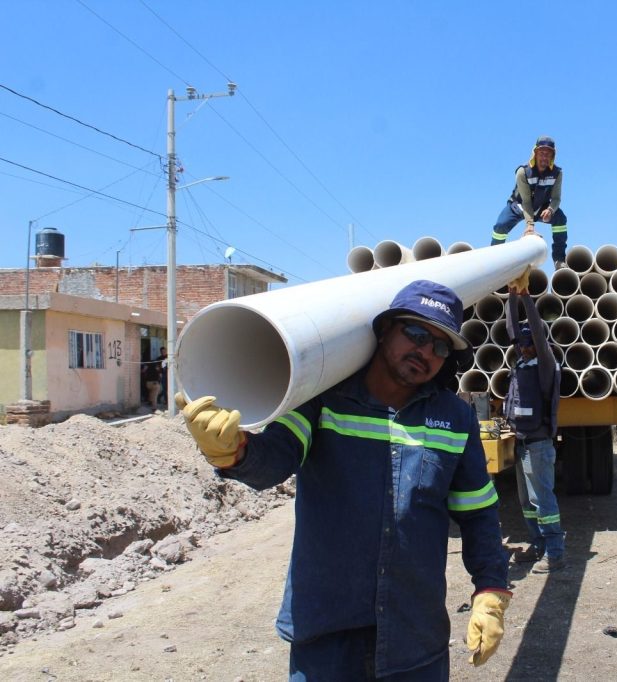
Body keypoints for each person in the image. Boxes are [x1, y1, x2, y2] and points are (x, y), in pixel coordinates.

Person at [175, 280, 512, 680]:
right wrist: (235, 452)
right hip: (327, 637)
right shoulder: (322, 398)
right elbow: (276, 460)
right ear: (385, 330)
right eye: (416, 334)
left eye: (440, 347)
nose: (425, 351)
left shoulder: (455, 418)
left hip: (414, 639)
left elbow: (477, 512)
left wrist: (491, 588)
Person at [505, 275, 566, 573]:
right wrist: (511, 295)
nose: (524, 346)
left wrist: (527, 297)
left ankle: (555, 553)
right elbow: (512, 330)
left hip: (538, 444)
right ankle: (538, 545)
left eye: (528, 343)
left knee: (543, 500)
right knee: (526, 501)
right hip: (522, 442)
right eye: (523, 343)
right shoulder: (522, 361)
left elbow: (537, 334)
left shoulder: (545, 364)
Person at [490, 136, 568, 269]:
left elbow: (556, 198)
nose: (544, 157)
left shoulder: (557, 173)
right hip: (519, 206)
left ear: (552, 156)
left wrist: (550, 210)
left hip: (541, 208)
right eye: (541, 153)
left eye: (548, 154)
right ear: (535, 153)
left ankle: (559, 260)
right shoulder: (523, 172)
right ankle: (494, 261)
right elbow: (526, 201)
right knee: (500, 226)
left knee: (560, 219)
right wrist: (530, 226)